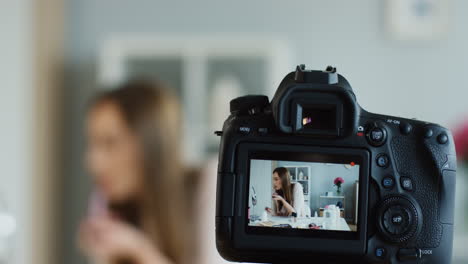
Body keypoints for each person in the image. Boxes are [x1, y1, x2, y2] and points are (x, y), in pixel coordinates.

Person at [78, 80, 196, 264]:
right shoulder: (110, 207)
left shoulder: (211, 188)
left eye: (109, 142)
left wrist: (138, 249)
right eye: (92, 143)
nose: (93, 162)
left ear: (151, 144)